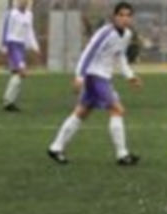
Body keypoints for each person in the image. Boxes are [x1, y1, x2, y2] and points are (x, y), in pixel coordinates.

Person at [47, 2, 142, 166]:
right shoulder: (105, 32)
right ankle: (122, 154)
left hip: (103, 77)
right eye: (121, 15)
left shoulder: (126, 34)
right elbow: (88, 52)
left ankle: (56, 147)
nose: (124, 18)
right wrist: (79, 76)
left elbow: (120, 57)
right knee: (117, 110)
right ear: (114, 16)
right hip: (94, 76)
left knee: (82, 112)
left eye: (128, 15)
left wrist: (130, 76)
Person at [0, 0, 40, 112]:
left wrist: (35, 47)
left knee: (17, 74)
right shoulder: (11, 14)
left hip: (21, 46)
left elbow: (30, 31)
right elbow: (5, 30)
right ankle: (8, 101)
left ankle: (9, 101)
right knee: (21, 72)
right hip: (12, 45)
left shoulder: (29, 15)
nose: (23, 3)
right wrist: (4, 46)